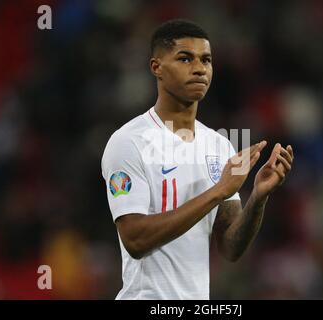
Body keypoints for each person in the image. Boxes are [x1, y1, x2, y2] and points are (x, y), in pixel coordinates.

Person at [101, 19, 294, 300]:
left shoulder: (220, 145)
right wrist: (218, 191)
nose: (199, 68)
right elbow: (135, 239)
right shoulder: (129, 142)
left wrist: (258, 197)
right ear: (157, 68)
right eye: (185, 58)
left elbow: (230, 247)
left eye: (206, 60)